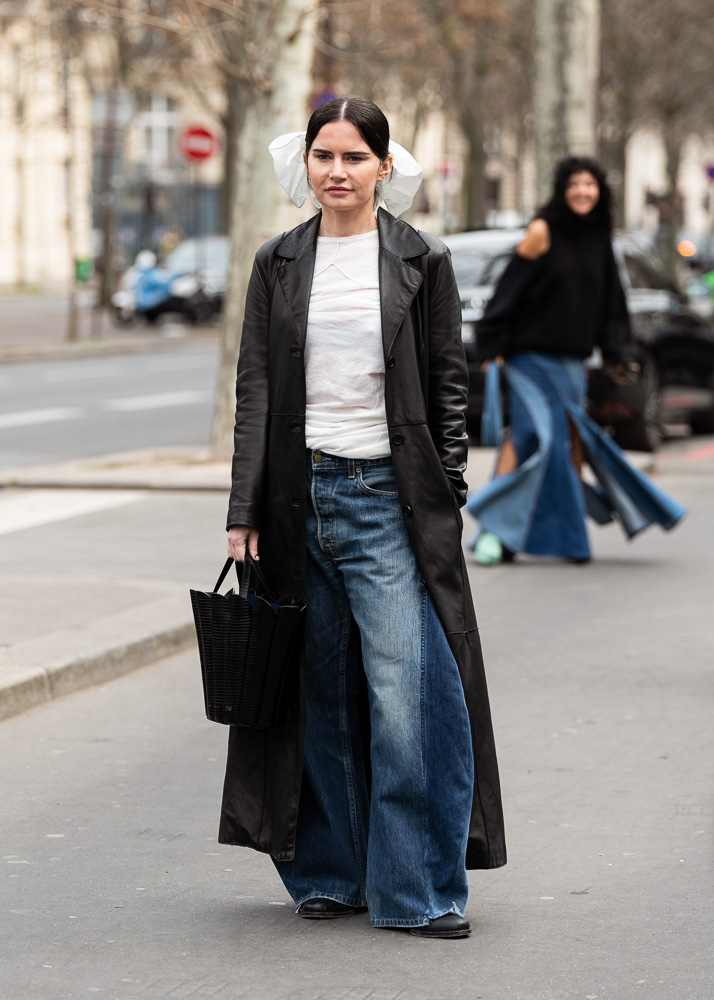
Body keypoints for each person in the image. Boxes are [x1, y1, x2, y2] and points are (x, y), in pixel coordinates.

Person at [219, 96, 506, 938]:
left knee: (407, 699)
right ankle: (331, 874)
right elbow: (256, 391)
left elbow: (450, 382)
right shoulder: (277, 261)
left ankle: (417, 891)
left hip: (387, 499)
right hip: (294, 500)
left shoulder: (421, 258)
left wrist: (444, 486)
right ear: (303, 164)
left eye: (353, 156)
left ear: (385, 164)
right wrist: (244, 510)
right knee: (319, 699)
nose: (336, 171)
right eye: (322, 156)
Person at [468, 156, 685, 565]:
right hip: (528, 359)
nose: (582, 191)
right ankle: (493, 531)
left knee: (563, 442)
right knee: (533, 436)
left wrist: (620, 352)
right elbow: (507, 292)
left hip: (571, 363)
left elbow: (610, 304)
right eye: (575, 184)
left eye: (590, 184)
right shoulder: (542, 231)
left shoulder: (601, 238)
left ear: (600, 191)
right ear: (562, 190)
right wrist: (490, 345)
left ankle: (558, 532)